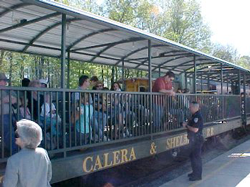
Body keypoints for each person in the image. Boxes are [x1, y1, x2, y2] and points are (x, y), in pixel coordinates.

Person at [3, 119, 52, 187]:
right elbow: (48, 176)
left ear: (25, 139)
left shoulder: (13, 160)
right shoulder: (43, 153)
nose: (15, 137)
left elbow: (9, 185)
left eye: (16, 135)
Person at [183, 101, 204, 181]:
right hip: (193, 139)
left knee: (196, 158)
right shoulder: (194, 115)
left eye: (191, 107)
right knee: (192, 157)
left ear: (195, 107)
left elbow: (195, 129)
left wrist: (186, 126)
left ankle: (197, 175)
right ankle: (194, 172)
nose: (189, 108)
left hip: (197, 140)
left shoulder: (197, 117)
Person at [0, 72, 18, 153]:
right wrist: (3, 100)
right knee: (8, 131)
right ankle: (15, 152)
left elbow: (18, 102)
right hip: (2, 115)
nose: (4, 82)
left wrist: (14, 100)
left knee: (24, 127)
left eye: (5, 80)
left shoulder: (8, 89)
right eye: (2, 80)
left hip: (14, 114)